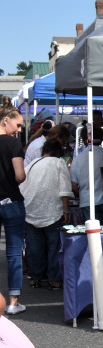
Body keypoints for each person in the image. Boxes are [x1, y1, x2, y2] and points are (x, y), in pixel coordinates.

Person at [21, 138, 71, 290]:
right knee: (54, 246)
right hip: (52, 209)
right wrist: (66, 210)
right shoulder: (59, 163)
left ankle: (35, 277)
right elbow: (64, 188)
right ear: (59, 151)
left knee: (34, 247)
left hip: (31, 208)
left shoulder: (33, 163)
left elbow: (22, 184)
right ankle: (54, 279)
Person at [69, 120, 103, 226]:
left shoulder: (77, 160)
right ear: (102, 138)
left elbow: (74, 186)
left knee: (93, 236)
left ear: (85, 139)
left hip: (87, 201)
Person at [0, 108, 27, 315]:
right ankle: (13, 302)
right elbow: (19, 176)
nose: (20, 129)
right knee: (14, 253)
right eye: (18, 125)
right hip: (11, 202)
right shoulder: (13, 144)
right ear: (5, 120)